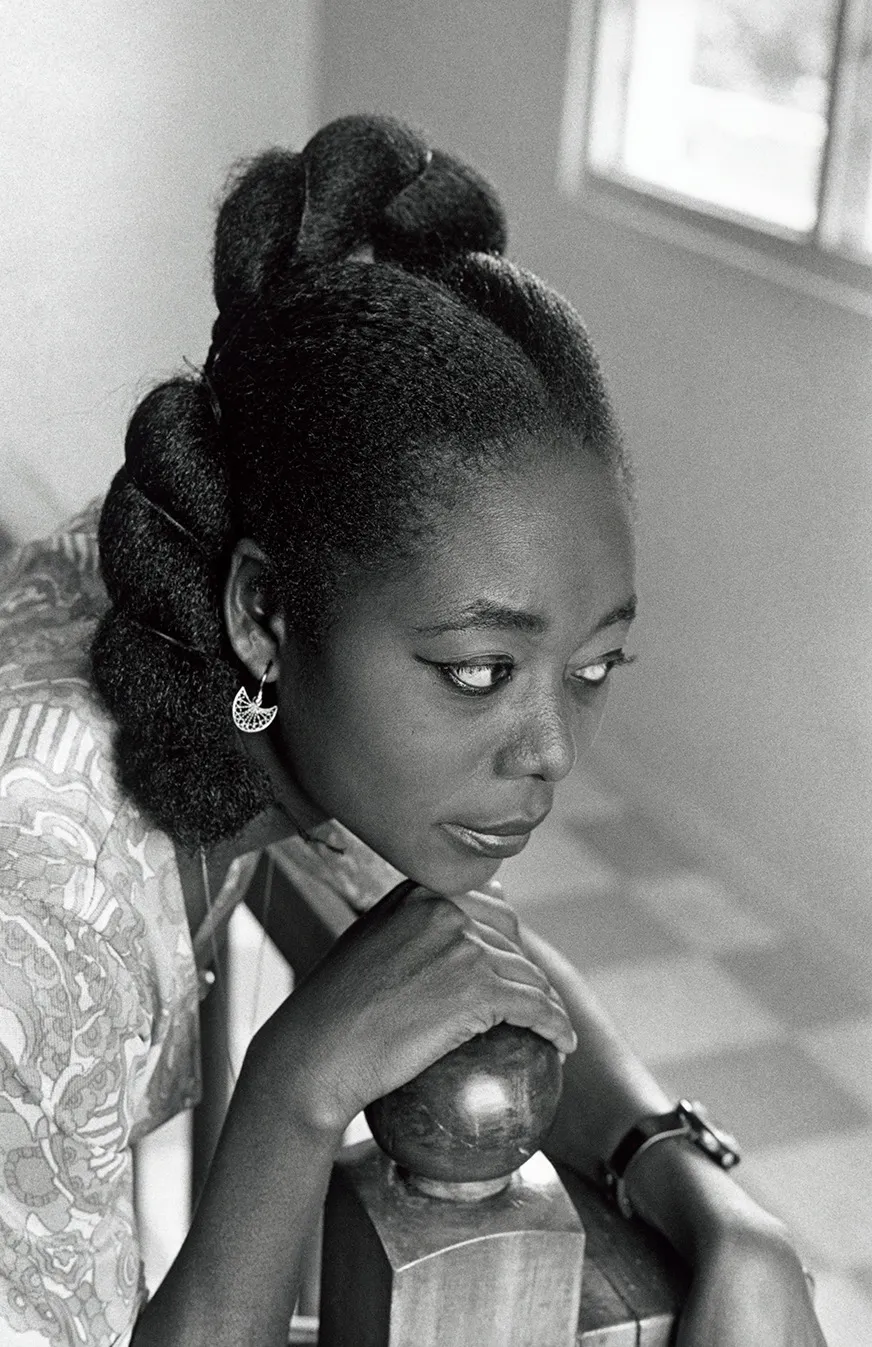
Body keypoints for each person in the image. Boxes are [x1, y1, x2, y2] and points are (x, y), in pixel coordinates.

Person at [0, 114, 825, 1347]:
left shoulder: (208, 629)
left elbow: (468, 958)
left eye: (592, 666)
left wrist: (705, 1198)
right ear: (265, 612)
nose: (549, 750)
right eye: (477, 670)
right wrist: (295, 1090)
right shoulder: (39, 894)